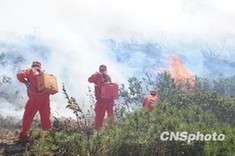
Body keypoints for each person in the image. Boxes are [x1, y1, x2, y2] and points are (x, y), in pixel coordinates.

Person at [16, 61, 52, 142]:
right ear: (40, 66)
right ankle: (48, 134)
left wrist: (25, 82)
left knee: (28, 114)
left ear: (32, 65)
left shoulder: (30, 70)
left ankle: (24, 135)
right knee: (46, 115)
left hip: (35, 97)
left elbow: (19, 75)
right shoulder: (44, 72)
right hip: (46, 96)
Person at [88, 64, 115, 129]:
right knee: (111, 118)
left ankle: (98, 135)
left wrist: (95, 73)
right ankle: (114, 132)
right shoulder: (108, 77)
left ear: (99, 69)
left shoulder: (97, 75)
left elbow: (89, 80)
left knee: (99, 119)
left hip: (101, 101)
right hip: (110, 101)